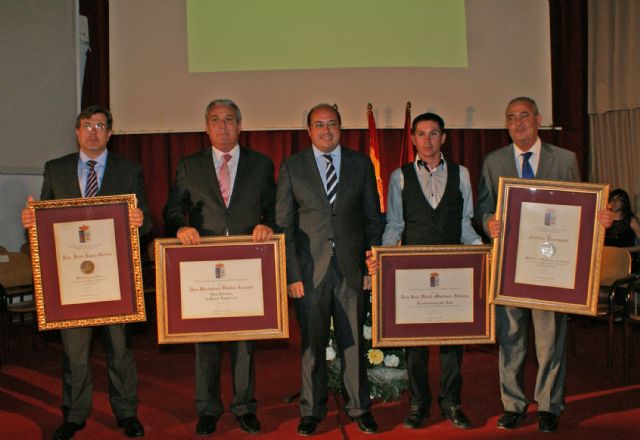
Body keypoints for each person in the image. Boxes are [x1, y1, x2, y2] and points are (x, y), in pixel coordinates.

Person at [476, 96, 613, 433]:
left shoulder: (564, 160)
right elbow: (483, 207)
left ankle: (550, 405)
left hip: (551, 267)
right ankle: (513, 404)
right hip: (510, 268)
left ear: (538, 119)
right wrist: (488, 222)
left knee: (550, 338)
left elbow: (581, 207)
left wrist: (601, 218)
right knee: (511, 339)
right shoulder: (494, 162)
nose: (518, 122)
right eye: (511, 117)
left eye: (524, 116)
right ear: (505, 124)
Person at [21, 105, 151, 440]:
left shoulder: (129, 169)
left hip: (116, 280)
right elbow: (46, 221)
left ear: (110, 132)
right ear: (77, 132)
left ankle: (126, 413)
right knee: (74, 353)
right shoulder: (56, 169)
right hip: (72, 284)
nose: (93, 131)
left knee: (120, 350)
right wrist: (31, 222)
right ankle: (75, 414)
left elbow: (147, 220)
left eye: (100, 126)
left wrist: (140, 221)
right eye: (86, 125)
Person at [163, 99, 275, 436]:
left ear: (240, 126)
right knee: (206, 343)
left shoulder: (261, 164)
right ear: (206, 127)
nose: (223, 125)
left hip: (246, 267)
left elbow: (275, 210)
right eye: (216, 119)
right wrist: (179, 228)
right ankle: (208, 409)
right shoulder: (189, 165)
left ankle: (244, 407)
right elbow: (171, 210)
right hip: (203, 266)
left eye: (229, 119)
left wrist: (268, 226)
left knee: (244, 341)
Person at [366, 112, 481, 430]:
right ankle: (418, 403)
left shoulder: (463, 174)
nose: (427, 139)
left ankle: (451, 402)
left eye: (434, 133)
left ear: (444, 137)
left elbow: (466, 224)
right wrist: (382, 260)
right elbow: (395, 225)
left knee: (452, 343)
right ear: (414, 138)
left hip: (453, 270)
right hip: (411, 273)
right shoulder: (399, 177)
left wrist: (482, 255)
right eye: (421, 134)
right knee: (414, 344)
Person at [276, 103, 384, 435]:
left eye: (332, 123)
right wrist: (292, 275)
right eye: (319, 124)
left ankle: (358, 407)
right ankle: (311, 409)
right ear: (308, 130)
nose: (326, 130)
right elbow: (284, 225)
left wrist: (370, 263)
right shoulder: (293, 167)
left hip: (352, 270)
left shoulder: (360, 163)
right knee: (312, 344)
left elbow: (372, 219)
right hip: (309, 274)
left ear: (341, 127)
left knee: (354, 343)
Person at [605, 188, 640, 273]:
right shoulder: (605, 219)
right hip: (607, 261)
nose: (614, 202)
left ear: (624, 202)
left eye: (619, 200)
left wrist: (623, 251)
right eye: (612, 199)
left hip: (626, 262)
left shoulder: (632, 221)